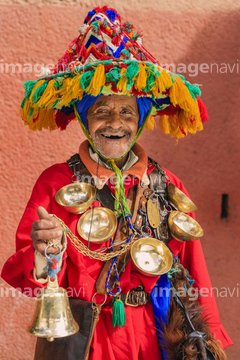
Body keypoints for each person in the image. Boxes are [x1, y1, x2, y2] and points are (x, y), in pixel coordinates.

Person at [1, 6, 233, 360]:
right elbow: (27, 276)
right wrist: (43, 254)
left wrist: (210, 341)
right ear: (83, 119)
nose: (115, 123)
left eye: (127, 111)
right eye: (101, 111)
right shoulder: (56, 181)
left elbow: (195, 272)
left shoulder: (167, 183)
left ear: (140, 121)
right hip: (85, 337)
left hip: (156, 334)